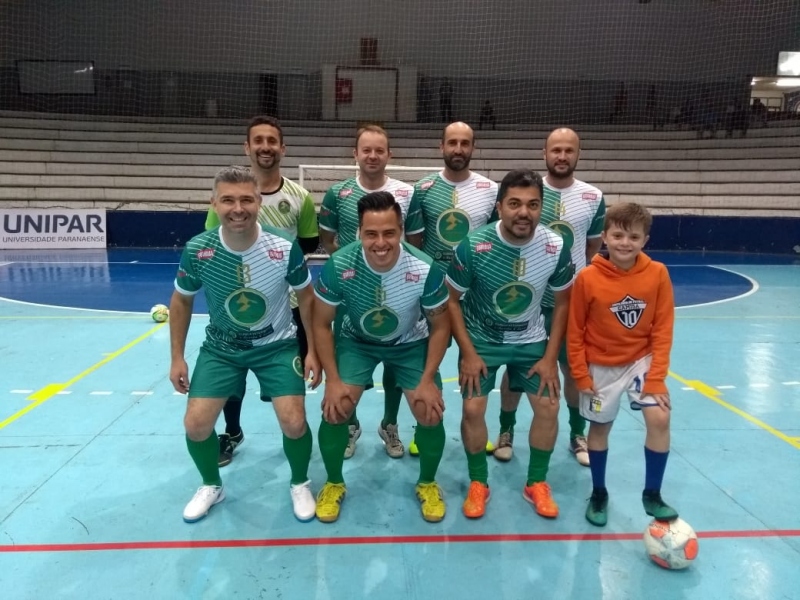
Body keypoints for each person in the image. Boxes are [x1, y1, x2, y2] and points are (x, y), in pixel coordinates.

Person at [169, 165, 321, 523]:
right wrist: (177, 357)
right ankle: (211, 485)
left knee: (294, 422)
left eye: (246, 200)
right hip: (222, 349)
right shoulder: (199, 250)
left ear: (258, 202)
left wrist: (312, 349)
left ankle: (300, 482)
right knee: (196, 424)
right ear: (214, 204)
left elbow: (308, 297)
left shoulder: (284, 248)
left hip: (277, 346)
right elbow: (181, 301)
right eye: (228, 200)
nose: (238, 208)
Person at [312, 191, 451, 523]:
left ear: (401, 229)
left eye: (389, 232)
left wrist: (429, 378)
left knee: (429, 410)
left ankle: (428, 482)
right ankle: (333, 483)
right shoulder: (340, 264)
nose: (380, 242)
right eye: (371, 233)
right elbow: (320, 323)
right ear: (359, 232)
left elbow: (441, 327)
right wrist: (332, 380)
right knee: (337, 408)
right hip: (356, 341)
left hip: (409, 342)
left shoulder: (424, 267)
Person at [446, 169, 574, 520]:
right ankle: (478, 482)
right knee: (473, 409)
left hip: (531, 340)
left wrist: (550, 357)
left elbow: (563, 302)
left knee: (548, 406)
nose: (524, 212)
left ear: (541, 207)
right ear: (500, 207)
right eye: (515, 204)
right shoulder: (473, 246)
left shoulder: (555, 246)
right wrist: (468, 353)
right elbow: (451, 300)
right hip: (482, 341)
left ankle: (536, 482)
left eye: (533, 205)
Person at [205, 115, 320, 468]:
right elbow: (213, 243)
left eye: (272, 141)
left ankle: (293, 439)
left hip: (286, 309)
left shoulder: (299, 197)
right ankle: (232, 431)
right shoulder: (229, 198)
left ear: (282, 148)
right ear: (247, 147)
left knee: (284, 383)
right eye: (259, 140)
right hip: (237, 304)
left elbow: (309, 243)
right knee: (231, 376)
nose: (265, 147)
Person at [494, 128, 605, 467]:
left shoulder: (592, 197)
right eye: (556, 150)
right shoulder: (530, 192)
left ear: (578, 155)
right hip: (525, 299)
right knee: (516, 368)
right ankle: (506, 430)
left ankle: (576, 432)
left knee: (571, 369)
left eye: (569, 150)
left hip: (570, 302)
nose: (562, 156)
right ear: (544, 153)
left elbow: (590, 249)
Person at [567, 202, 678, 527]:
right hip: (600, 367)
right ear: (604, 237)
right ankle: (599, 492)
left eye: (633, 236)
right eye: (618, 235)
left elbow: (663, 328)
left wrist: (656, 378)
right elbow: (575, 331)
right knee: (600, 428)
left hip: (640, 362)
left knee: (660, 417)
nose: (625, 243)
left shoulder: (657, 273)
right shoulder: (587, 278)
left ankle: (652, 494)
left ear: (645, 240)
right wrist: (580, 374)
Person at [318, 125, 424, 460]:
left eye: (380, 150)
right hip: (353, 292)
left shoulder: (408, 194)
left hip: (399, 289)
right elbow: (328, 239)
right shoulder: (338, 193)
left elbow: (416, 241)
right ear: (356, 153)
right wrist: (352, 271)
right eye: (366, 150)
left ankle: (389, 424)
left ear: (389, 154)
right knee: (351, 362)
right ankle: (350, 425)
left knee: (396, 355)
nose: (373, 156)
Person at [412, 120, 498, 455]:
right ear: (441, 147)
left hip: (474, 294)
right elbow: (416, 244)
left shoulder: (490, 190)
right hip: (433, 293)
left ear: (473, 147)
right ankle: (425, 427)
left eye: (465, 143)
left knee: (475, 360)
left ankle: (475, 428)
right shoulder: (423, 189)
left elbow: (496, 241)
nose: (458, 149)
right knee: (426, 362)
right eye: (452, 142)